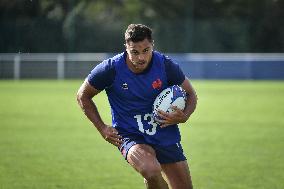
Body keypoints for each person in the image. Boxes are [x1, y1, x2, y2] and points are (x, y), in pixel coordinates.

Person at [77, 23, 197, 189]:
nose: (141, 57)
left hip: (164, 133)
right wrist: (102, 128)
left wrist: (185, 115)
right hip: (130, 135)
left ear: (152, 45)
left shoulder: (165, 65)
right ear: (126, 47)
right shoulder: (110, 69)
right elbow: (82, 96)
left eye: (146, 50)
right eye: (134, 52)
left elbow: (191, 93)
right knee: (151, 170)